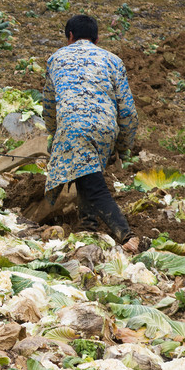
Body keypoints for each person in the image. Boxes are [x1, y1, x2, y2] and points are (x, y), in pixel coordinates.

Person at [42, 14, 140, 253]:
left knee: (95, 187)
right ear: (97, 38)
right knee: (88, 173)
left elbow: (49, 106)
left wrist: (55, 134)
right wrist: (124, 146)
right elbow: (128, 111)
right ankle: (88, 227)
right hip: (106, 128)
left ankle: (126, 236)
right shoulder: (113, 60)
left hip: (73, 126)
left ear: (70, 36)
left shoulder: (56, 59)